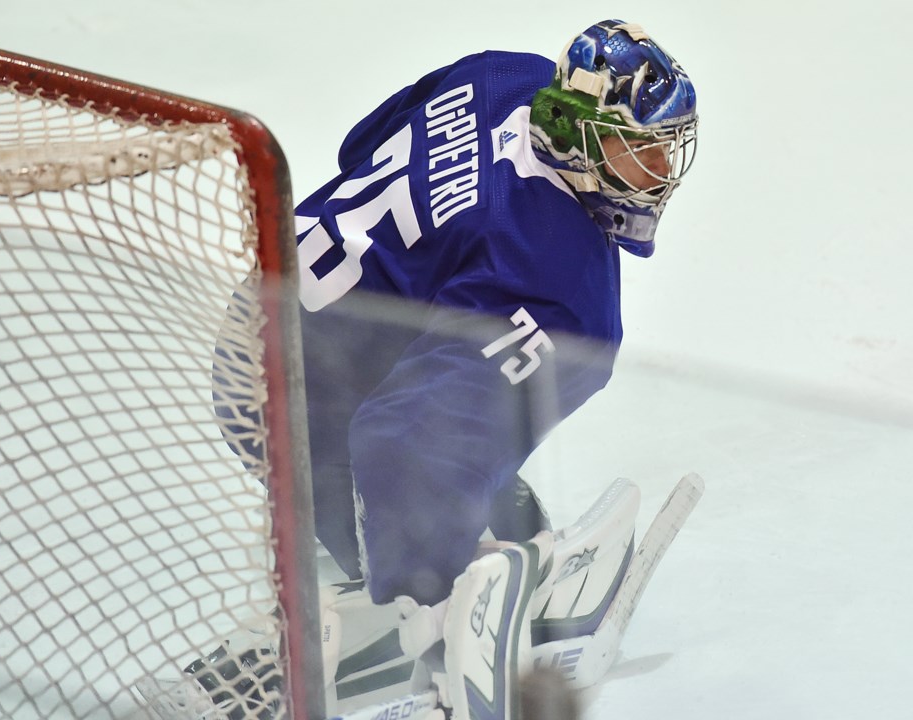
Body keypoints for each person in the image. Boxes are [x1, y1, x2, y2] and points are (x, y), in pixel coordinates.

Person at [147, 18, 698, 720]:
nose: (656, 176)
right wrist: (430, 599)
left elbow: (361, 146)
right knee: (429, 506)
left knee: (457, 432)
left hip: (251, 333)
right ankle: (357, 653)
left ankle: (424, 554)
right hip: (307, 417)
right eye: (634, 152)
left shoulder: (502, 76)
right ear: (577, 138)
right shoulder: (560, 286)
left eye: (662, 152)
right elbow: (402, 441)